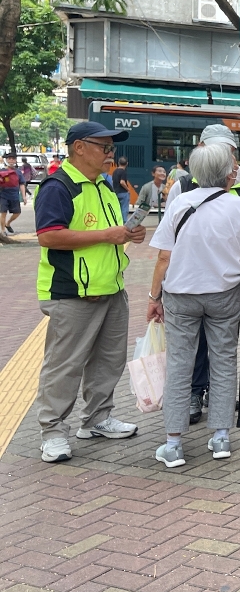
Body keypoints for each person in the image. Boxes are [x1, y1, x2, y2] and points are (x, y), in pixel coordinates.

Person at [145, 143, 240, 467]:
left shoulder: (179, 203)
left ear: (195, 172)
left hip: (181, 295)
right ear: (228, 174)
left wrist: (154, 298)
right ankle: (221, 437)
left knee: (179, 365)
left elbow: (163, 257)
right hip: (225, 294)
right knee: (223, 361)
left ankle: (173, 444)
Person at [33, 122, 145, 463]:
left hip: (111, 287)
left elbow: (108, 232)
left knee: (108, 361)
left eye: (112, 148)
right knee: (64, 366)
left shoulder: (103, 185)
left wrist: (128, 234)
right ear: (79, 147)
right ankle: (52, 432)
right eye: (104, 147)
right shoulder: (58, 186)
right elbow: (49, 236)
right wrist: (107, 235)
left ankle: (97, 419)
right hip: (72, 292)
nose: (110, 153)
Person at [167, 124, 240, 423]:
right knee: (197, 344)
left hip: (224, 282)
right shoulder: (182, 187)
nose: (228, 158)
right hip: (189, 280)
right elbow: (169, 238)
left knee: (219, 346)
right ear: (202, 149)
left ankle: (215, 395)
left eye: (231, 151)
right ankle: (195, 393)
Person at [0, 152, 26, 239]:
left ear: (15, 160)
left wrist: (24, 196)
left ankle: (8, 223)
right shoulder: (1, 170)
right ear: (6, 160)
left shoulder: (18, 172)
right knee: (3, 213)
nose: (11, 160)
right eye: (9, 159)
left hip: (14, 195)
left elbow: (22, 184)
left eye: (13, 159)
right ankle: (3, 230)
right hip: (3, 195)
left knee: (17, 212)